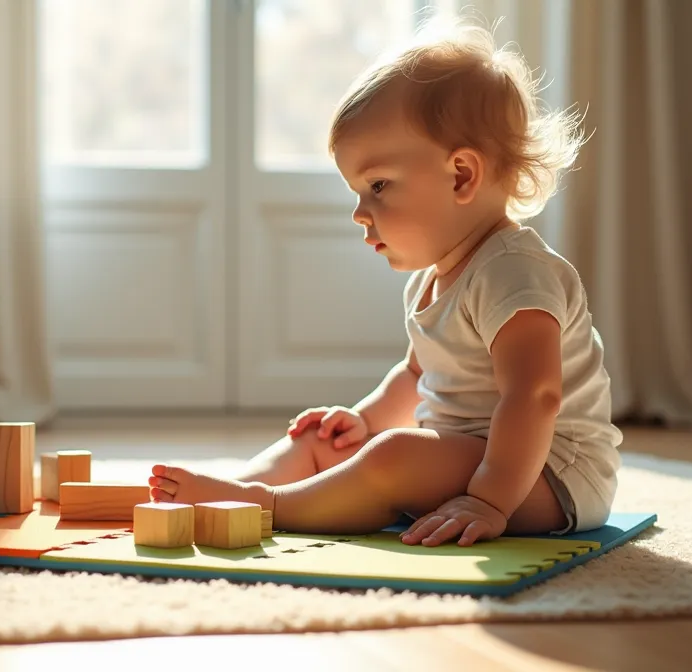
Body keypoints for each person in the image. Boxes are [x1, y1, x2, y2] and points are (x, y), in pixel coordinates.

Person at [148, 15, 622, 547]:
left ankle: (268, 505)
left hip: (548, 475)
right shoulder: (431, 279)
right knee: (323, 438)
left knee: (395, 453)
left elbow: (535, 396)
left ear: (462, 175)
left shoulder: (515, 272)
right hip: (466, 457)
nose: (359, 212)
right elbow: (416, 374)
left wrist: (489, 499)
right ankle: (238, 488)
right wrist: (362, 419)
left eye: (377, 186)